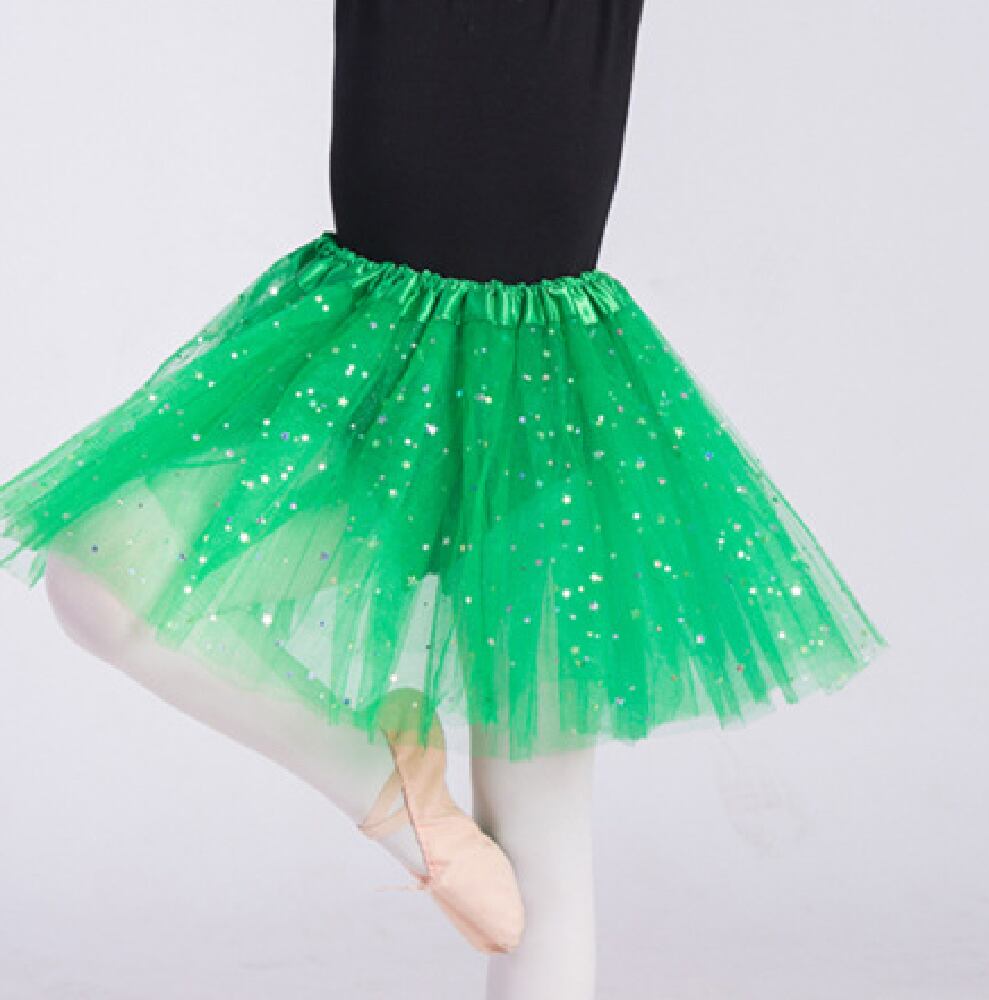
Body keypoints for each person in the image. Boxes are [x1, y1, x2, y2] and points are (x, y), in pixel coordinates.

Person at [0, 3, 888, 998]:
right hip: (369, 369)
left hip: (546, 394)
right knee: (98, 578)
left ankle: (409, 805)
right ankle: (398, 795)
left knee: (539, 870)